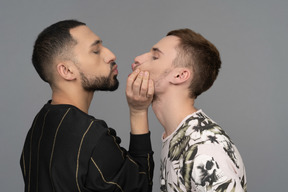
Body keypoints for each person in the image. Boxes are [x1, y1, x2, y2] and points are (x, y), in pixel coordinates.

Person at [20, 19, 154, 192]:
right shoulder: (91, 136)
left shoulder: (38, 126)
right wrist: (138, 111)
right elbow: (140, 186)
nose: (110, 55)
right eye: (96, 51)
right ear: (67, 71)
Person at [131, 28, 247, 192]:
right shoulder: (178, 136)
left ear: (179, 75)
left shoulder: (204, 149)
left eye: (155, 57)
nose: (138, 59)